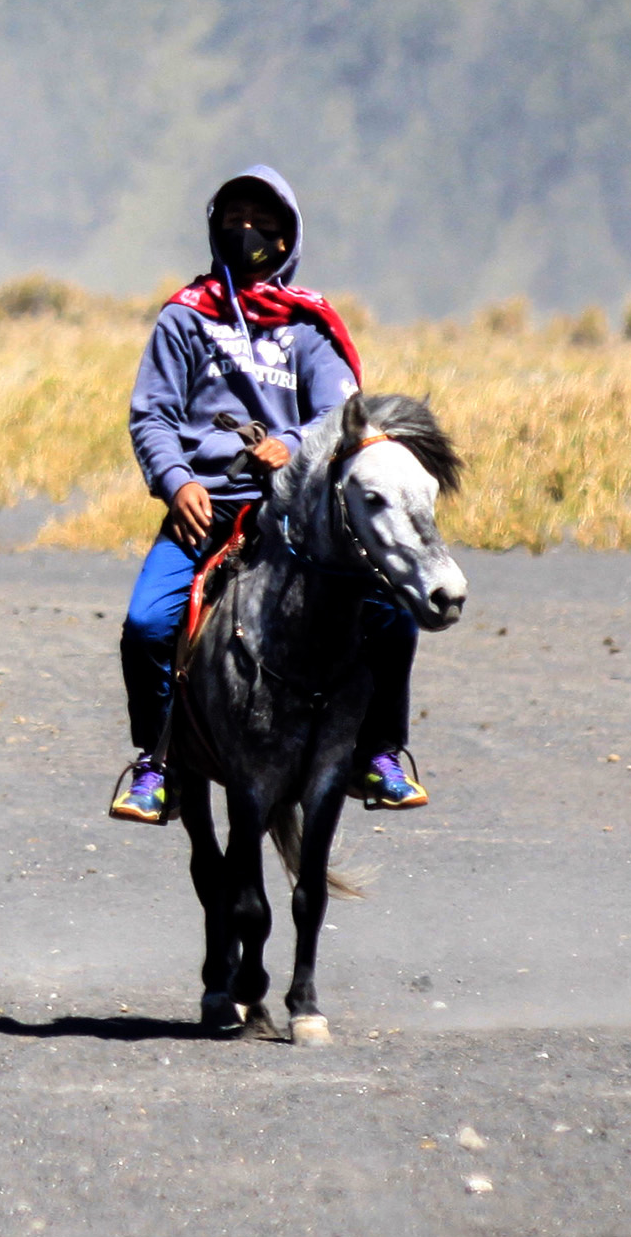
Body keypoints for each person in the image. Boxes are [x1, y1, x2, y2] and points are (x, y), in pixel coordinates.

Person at [108, 164, 428, 824]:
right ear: (214, 228)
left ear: (288, 238)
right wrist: (178, 482)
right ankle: (155, 760)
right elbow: (152, 415)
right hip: (207, 508)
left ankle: (382, 751)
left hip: (296, 510)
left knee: (392, 610)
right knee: (145, 625)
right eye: (234, 220)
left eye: (263, 223)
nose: (247, 232)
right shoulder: (185, 317)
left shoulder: (309, 326)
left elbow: (342, 413)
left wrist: (292, 440)